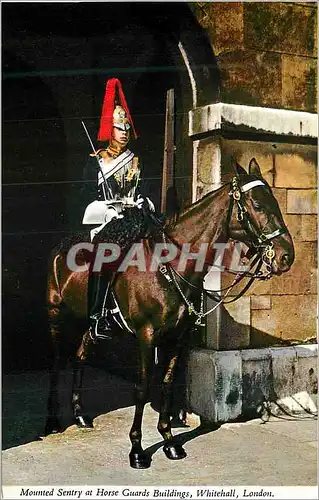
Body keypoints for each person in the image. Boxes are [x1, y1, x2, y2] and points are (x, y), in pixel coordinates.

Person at [82, 78, 154, 340]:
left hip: (135, 216)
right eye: (119, 128)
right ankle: (97, 316)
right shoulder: (96, 162)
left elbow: (144, 190)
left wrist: (144, 201)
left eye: (126, 128)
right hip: (107, 218)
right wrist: (105, 208)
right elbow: (85, 196)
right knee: (104, 254)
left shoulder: (136, 161)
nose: (124, 132)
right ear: (109, 129)